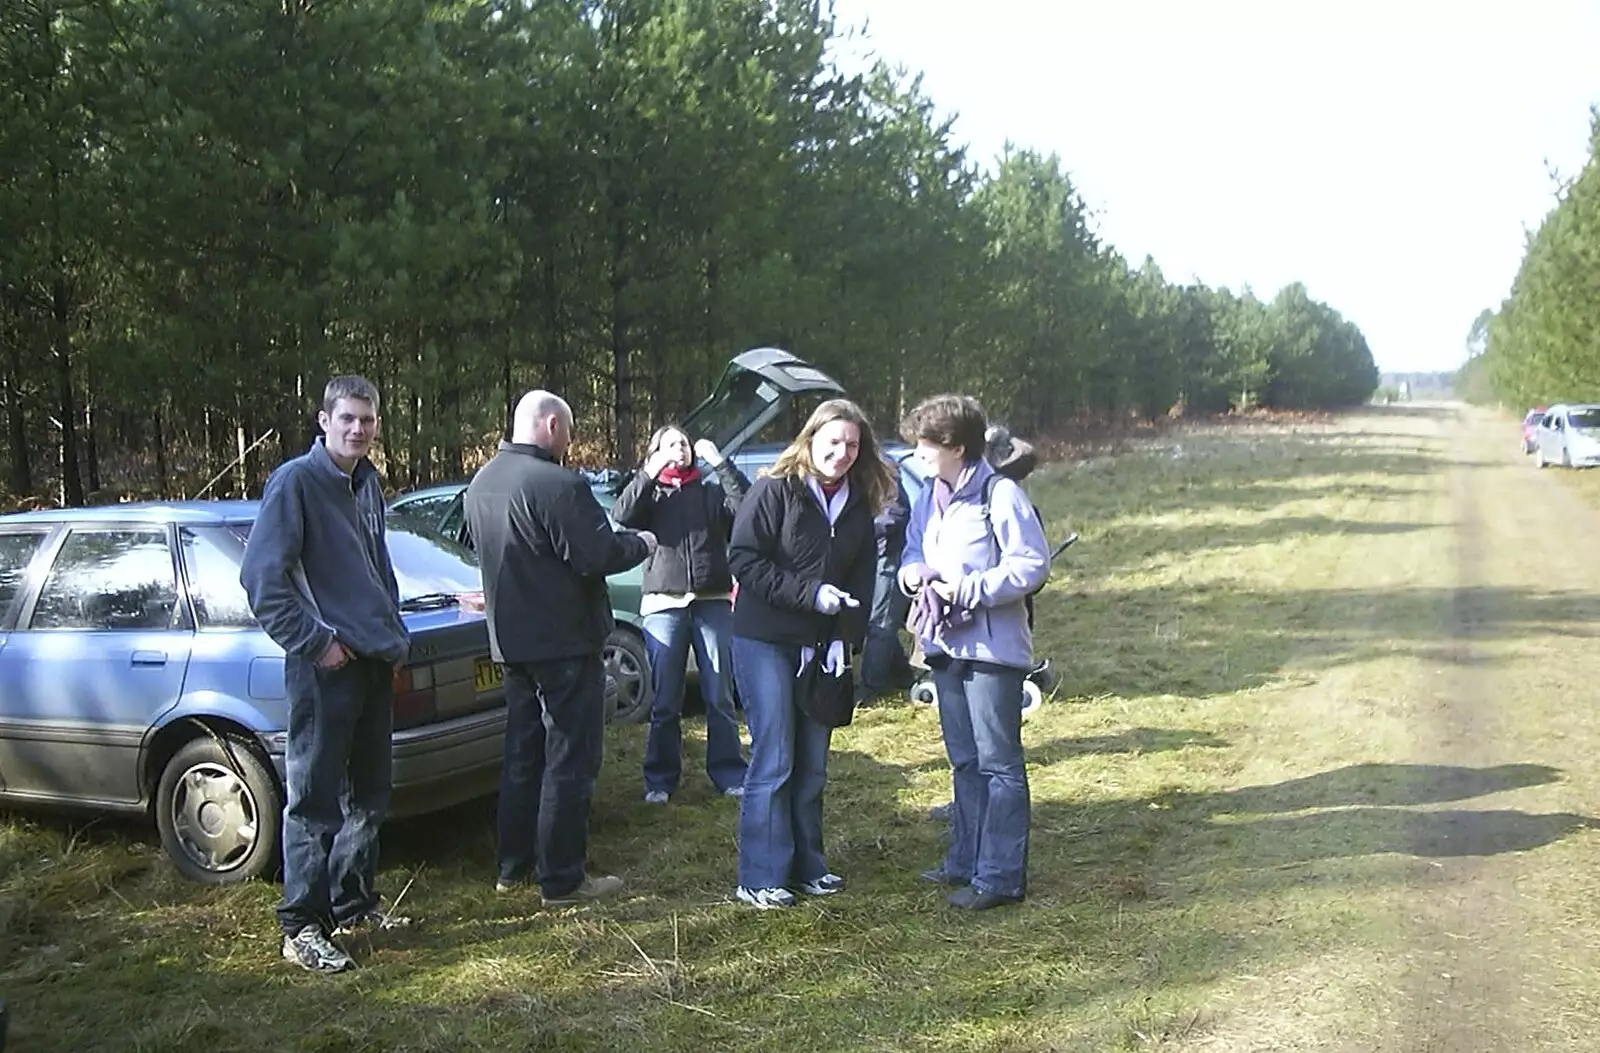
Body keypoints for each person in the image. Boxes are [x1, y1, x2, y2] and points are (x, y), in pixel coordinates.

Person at [240, 375, 412, 974]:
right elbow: (262, 581)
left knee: (368, 795)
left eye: (367, 420)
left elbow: (375, 572)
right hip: (325, 670)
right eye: (347, 419)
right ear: (323, 420)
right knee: (313, 803)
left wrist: (392, 640)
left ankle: (354, 903)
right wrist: (319, 645)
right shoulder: (297, 482)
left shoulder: (367, 483)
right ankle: (301, 926)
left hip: (372, 662)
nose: (357, 429)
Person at [463, 390, 657, 906]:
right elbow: (596, 554)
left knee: (522, 755)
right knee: (571, 757)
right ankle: (563, 878)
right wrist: (643, 544)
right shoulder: (558, 483)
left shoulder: (482, 482)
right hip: (565, 644)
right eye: (569, 430)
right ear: (551, 425)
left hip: (511, 644)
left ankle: (513, 866)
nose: (571, 441)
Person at [725, 399, 894, 909]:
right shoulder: (774, 490)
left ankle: (806, 867)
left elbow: (862, 578)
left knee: (814, 765)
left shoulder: (859, 503)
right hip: (765, 640)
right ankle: (759, 876)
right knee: (774, 758)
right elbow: (743, 560)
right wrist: (809, 595)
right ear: (810, 438)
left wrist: (847, 636)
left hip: (822, 647)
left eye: (852, 445)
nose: (842, 453)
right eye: (834, 441)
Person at [899, 395, 1049, 910]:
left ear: (956, 447)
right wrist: (912, 573)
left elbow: (1031, 565)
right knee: (964, 760)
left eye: (924, 447)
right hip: (942, 646)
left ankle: (1000, 878)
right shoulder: (928, 496)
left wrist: (965, 590)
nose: (917, 456)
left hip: (992, 651)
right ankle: (964, 859)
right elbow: (913, 548)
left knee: (998, 764)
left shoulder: (1000, 495)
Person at [611, 425, 750, 802]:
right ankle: (660, 781)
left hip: (713, 599)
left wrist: (721, 463)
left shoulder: (708, 492)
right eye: (671, 444)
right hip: (663, 604)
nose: (681, 449)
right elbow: (621, 514)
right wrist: (649, 472)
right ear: (655, 451)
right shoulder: (650, 495)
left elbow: (746, 506)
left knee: (719, 694)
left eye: (684, 444)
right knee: (665, 699)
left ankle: (729, 774)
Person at [856, 462, 916, 701]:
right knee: (880, 620)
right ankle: (901, 674)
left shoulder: (882, 467)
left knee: (880, 623)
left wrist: (861, 529)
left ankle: (871, 687)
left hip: (889, 555)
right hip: (869, 556)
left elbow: (895, 514)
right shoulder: (849, 466)